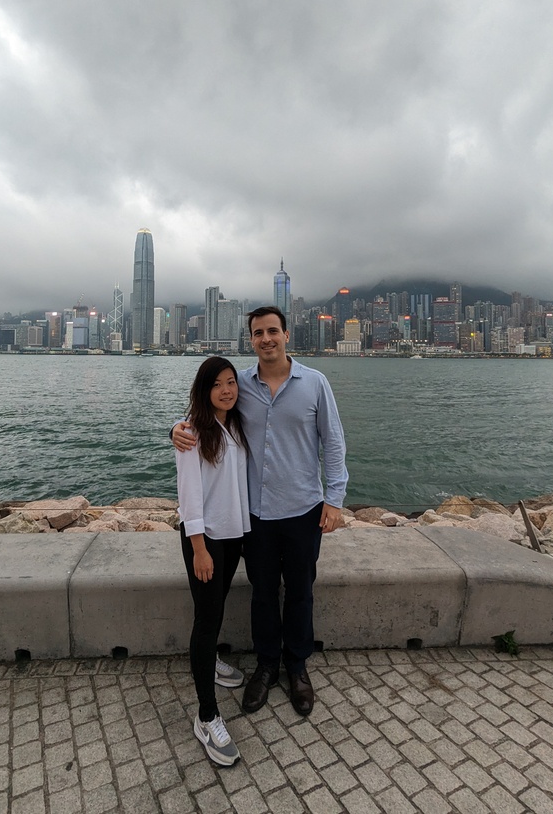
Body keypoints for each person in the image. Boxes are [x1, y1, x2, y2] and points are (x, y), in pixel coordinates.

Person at [173, 306, 348, 717]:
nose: (266, 339)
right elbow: (204, 417)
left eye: (273, 331)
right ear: (250, 340)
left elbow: (334, 443)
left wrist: (335, 499)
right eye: (258, 333)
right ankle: (267, 665)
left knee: (301, 591)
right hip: (256, 515)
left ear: (287, 335)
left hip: (304, 508)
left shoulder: (316, 384)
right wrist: (176, 430)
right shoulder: (241, 387)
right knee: (263, 593)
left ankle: (297, 665)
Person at [176, 356, 251, 767]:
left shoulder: (234, 425)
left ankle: (213, 663)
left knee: (216, 609)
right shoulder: (192, 433)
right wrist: (200, 548)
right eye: (218, 384)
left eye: (231, 382)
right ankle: (206, 715)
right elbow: (188, 497)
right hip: (205, 542)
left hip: (233, 535)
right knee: (206, 621)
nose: (227, 390)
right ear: (204, 389)